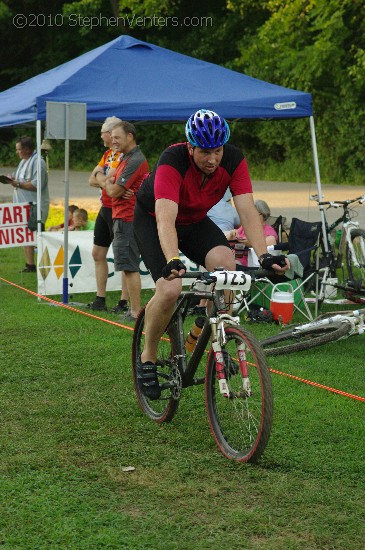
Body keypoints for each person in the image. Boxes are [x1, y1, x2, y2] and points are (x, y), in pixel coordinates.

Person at [133, 108, 289, 399]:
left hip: (194, 221)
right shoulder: (173, 161)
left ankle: (206, 333)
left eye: (217, 151)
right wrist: (172, 259)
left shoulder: (233, 159)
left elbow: (246, 208)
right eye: (205, 152)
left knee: (227, 269)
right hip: (154, 218)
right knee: (169, 289)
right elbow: (165, 218)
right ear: (190, 147)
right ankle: (148, 357)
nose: (212, 159)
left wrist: (264, 254)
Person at [105, 121, 149, 321]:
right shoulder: (125, 157)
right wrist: (110, 180)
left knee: (129, 266)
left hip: (127, 217)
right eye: (112, 137)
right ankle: (133, 309)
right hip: (122, 216)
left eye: (116, 137)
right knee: (126, 264)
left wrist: (107, 180)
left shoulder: (135, 160)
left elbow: (113, 190)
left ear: (130, 136)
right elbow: (113, 187)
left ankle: (135, 312)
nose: (113, 141)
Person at [87, 117, 129, 313]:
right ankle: (100, 298)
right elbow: (92, 179)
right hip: (104, 208)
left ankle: (123, 301)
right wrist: (103, 179)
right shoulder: (107, 154)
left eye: (103, 132)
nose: (101, 136)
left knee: (123, 256)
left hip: (119, 210)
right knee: (98, 253)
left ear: (111, 133)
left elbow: (109, 180)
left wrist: (101, 178)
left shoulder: (122, 155)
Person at [9, 136, 49, 272]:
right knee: (26, 235)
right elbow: (21, 180)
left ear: (26, 149)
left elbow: (36, 185)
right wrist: (12, 180)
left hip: (35, 205)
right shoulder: (24, 161)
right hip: (23, 205)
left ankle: (44, 265)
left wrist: (17, 183)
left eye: (19, 150)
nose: (17, 152)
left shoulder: (39, 162)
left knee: (38, 235)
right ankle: (30, 265)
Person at [234, 199, 278, 267]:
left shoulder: (269, 231)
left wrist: (250, 243)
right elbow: (232, 237)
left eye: (253, 213)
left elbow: (270, 244)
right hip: (236, 257)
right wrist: (232, 234)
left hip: (252, 264)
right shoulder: (245, 227)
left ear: (263, 214)